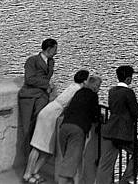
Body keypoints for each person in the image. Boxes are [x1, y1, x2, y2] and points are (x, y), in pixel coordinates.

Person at [23, 70, 89, 183]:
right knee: (39, 147)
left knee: (43, 148)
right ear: (84, 81)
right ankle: (29, 173)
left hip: (49, 112)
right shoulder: (78, 91)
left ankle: (32, 172)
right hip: (51, 115)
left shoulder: (72, 86)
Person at [96, 65, 138, 184]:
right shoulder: (128, 92)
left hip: (111, 128)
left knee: (107, 161)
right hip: (123, 131)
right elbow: (136, 112)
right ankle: (126, 179)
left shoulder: (112, 91)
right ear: (128, 79)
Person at [18, 39, 58, 168]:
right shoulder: (32, 61)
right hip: (29, 96)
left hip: (42, 96)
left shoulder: (51, 62)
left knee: (37, 127)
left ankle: (32, 162)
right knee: (27, 128)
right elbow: (29, 79)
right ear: (49, 49)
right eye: (55, 49)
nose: (56, 52)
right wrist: (47, 84)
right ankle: (26, 161)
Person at [56, 75, 102, 184]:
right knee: (70, 163)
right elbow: (95, 114)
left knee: (68, 159)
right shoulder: (92, 96)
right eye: (99, 86)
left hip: (64, 126)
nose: (99, 89)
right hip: (77, 130)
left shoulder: (78, 92)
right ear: (94, 86)